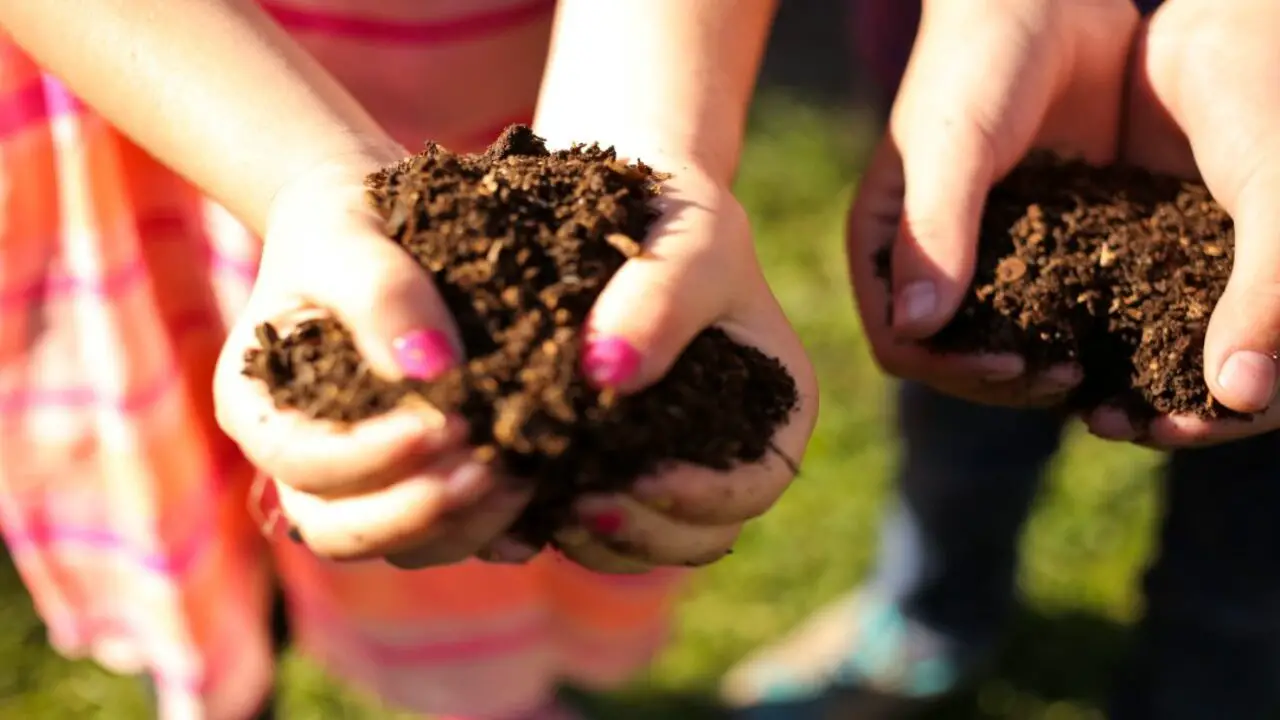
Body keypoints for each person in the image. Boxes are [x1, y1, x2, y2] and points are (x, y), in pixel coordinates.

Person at [0, 1, 817, 718]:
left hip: (551, 59)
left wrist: (650, 147)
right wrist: (303, 176)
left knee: (452, 493)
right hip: (159, 83)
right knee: (188, 483)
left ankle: (491, 692)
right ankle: (216, 676)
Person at [721, 0, 1280, 718]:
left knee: (1251, 531)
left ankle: (1208, 686)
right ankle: (932, 611)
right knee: (963, 415)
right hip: (996, 98)